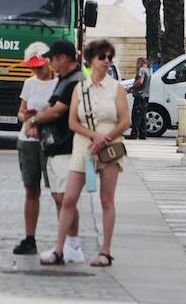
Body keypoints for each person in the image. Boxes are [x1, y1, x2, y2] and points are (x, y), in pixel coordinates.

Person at [42, 39, 129, 268]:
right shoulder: (80, 88)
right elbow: (72, 121)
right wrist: (92, 136)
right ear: (91, 60)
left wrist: (104, 138)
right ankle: (60, 249)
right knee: (69, 198)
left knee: (107, 199)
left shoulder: (116, 88)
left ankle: (105, 252)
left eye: (110, 57)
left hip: (109, 148)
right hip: (83, 147)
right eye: (102, 57)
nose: (107, 62)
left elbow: (125, 121)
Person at [33, 40, 86, 263]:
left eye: (52, 58)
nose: (50, 63)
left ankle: (69, 245)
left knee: (66, 198)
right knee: (59, 197)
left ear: (63, 58)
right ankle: (68, 243)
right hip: (57, 146)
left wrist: (34, 119)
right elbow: (52, 106)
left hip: (67, 145)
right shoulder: (65, 80)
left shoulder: (75, 81)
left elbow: (58, 110)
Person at [12, 42, 55, 256]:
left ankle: (65, 240)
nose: (35, 71)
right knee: (31, 190)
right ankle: (30, 238)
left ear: (48, 62)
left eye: (39, 66)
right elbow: (20, 111)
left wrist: (41, 119)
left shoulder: (59, 84)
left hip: (50, 141)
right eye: (32, 67)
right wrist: (26, 117)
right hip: (27, 139)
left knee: (59, 192)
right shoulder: (29, 83)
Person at [127, 56, 152, 140]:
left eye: (137, 63)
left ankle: (134, 134)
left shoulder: (141, 70)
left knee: (136, 115)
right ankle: (143, 134)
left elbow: (140, 81)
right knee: (143, 116)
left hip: (140, 96)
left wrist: (131, 88)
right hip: (146, 96)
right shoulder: (148, 71)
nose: (136, 65)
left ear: (141, 62)